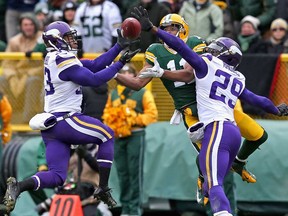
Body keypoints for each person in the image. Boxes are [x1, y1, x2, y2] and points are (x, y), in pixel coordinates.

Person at [131, 6, 288, 215]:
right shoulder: (237, 77)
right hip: (232, 131)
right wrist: (277, 111)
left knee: (215, 185)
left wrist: (153, 29)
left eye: (214, 50)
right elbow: (257, 99)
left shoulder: (206, 65)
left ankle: (216, 197)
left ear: (221, 55)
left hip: (217, 129)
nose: (208, 51)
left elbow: (181, 47)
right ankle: (224, 171)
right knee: (213, 177)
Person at [2, 20, 140, 214]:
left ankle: (19, 186)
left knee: (57, 176)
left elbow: (94, 64)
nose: (73, 40)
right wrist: (120, 63)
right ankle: (103, 187)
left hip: (51, 128)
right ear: (57, 40)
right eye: (68, 37)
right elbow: (94, 79)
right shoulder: (62, 59)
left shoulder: (55, 58)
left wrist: (118, 46)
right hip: (65, 120)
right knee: (107, 134)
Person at [102, 63, 158, 216]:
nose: (125, 74)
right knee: (122, 173)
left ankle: (135, 209)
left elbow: (152, 115)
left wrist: (134, 119)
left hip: (135, 135)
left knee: (135, 173)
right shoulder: (113, 94)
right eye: (122, 71)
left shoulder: (143, 93)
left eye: (129, 72)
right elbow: (106, 114)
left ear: (134, 75)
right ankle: (125, 208)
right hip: (118, 138)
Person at [0, 13, 44, 123]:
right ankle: (7, 119)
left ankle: (27, 120)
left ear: (35, 25)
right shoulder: (14, 41)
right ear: (21, 26)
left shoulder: (43, 38)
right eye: (25, 25)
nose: (28, 27)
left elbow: (46, 64)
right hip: (17, 76)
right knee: (2, 80)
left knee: (32, 81)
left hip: (38, 76)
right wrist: (12, 76)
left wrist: (30, 73)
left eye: (31, 24)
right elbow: (7, 64)